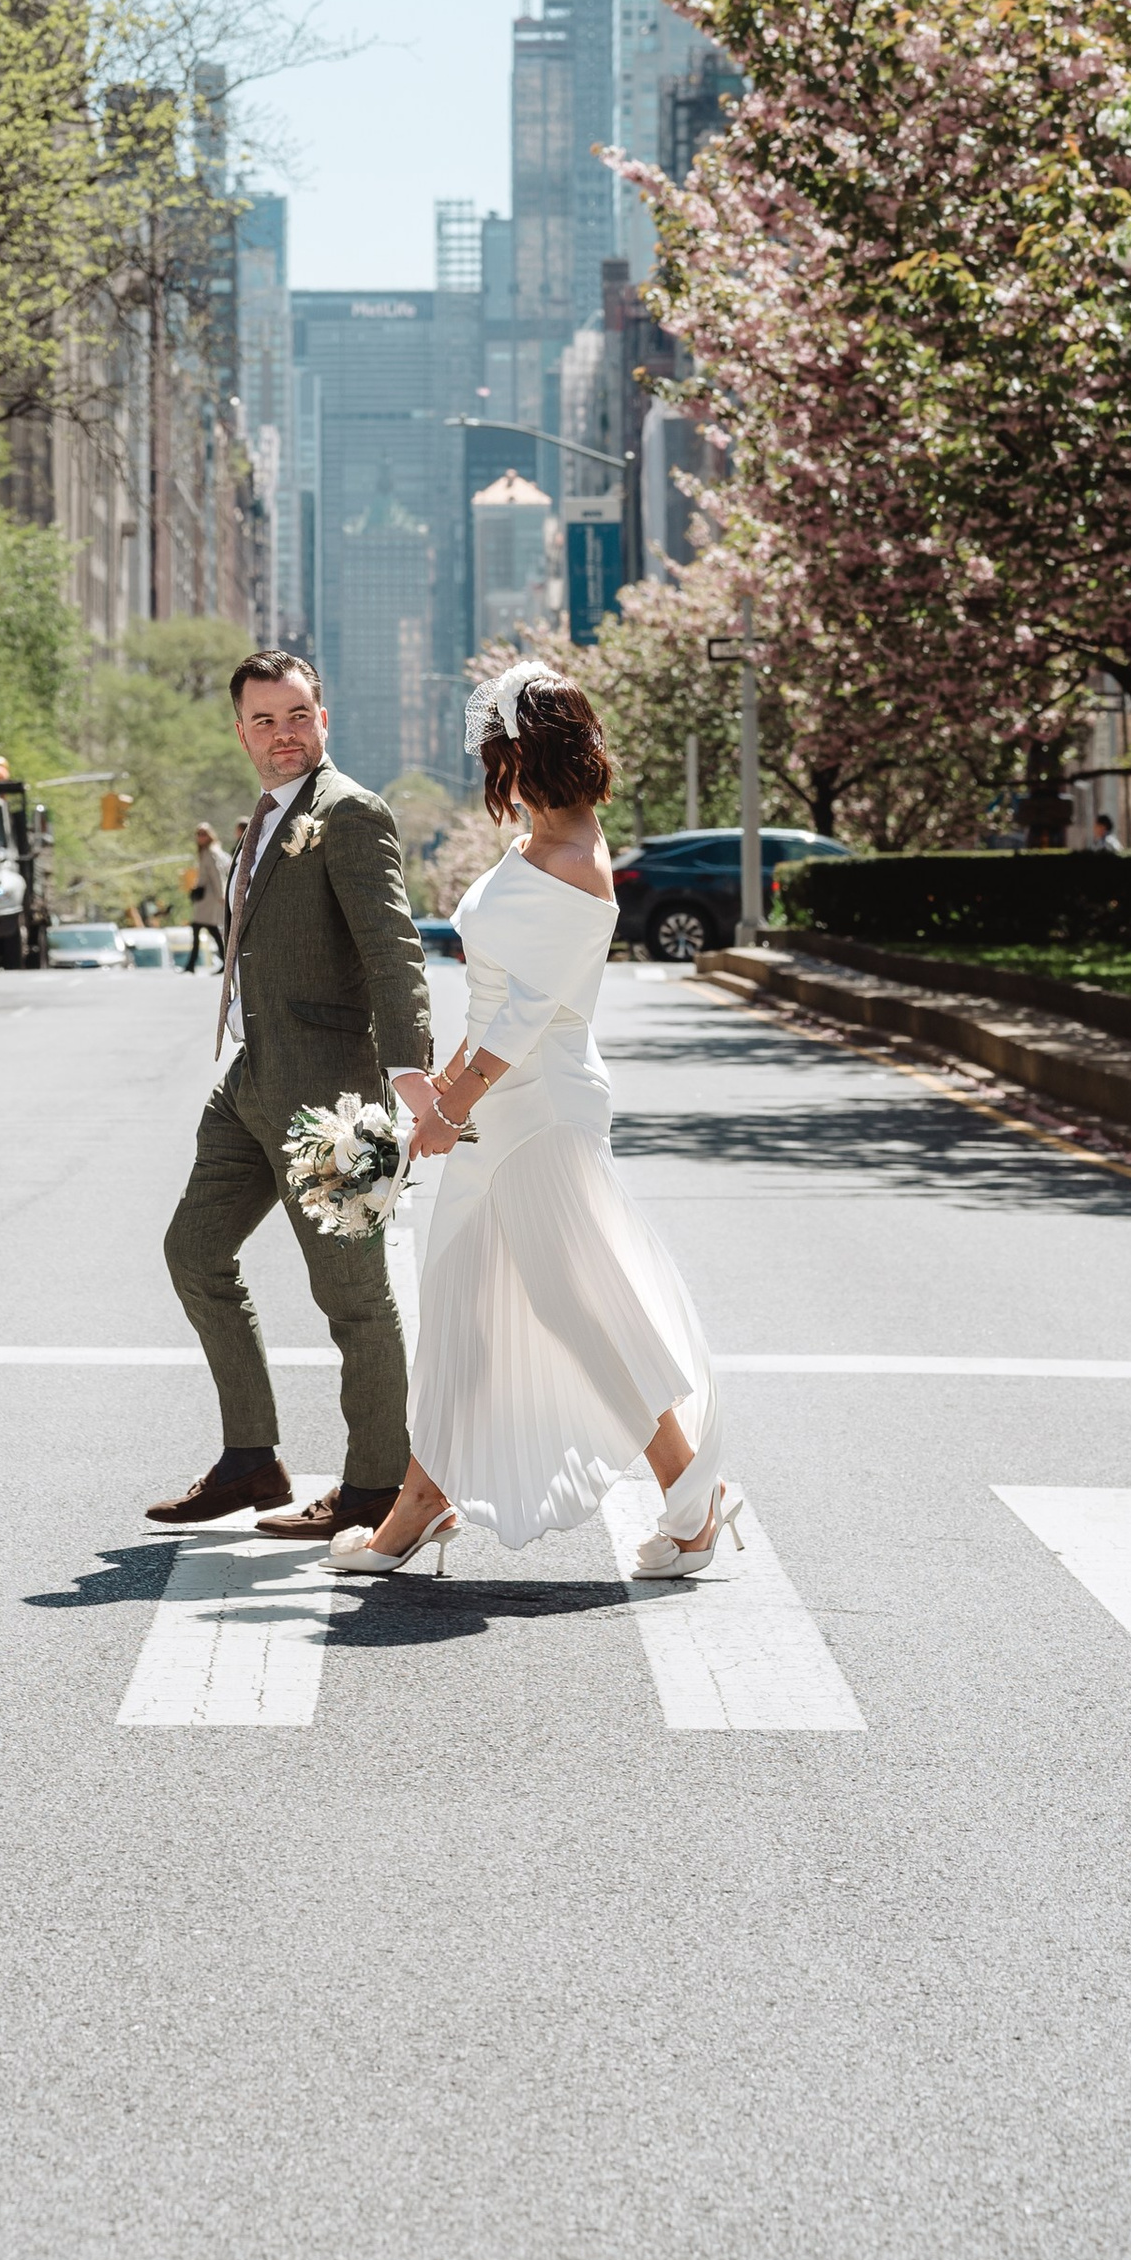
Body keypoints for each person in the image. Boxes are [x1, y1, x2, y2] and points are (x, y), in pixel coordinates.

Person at [330, 660, 740, 1584]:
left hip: (540, 1106)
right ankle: (422, 1502)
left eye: (497, 754)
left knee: (575, 1305)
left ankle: (690, 1494)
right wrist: (441, 1085)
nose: (492, 774)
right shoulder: (541, 839)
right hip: (501, 1100)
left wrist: (452, 1108)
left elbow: (526, 1018)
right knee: (463, 1308)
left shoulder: (575, 860)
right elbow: (500, 994)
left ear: (530, 753)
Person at [148, 651, 434, 1544]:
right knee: (194, 1252)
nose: (283, 735)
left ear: (325, 716)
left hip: (331, 1095)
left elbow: (394, 948)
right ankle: (252, 1459)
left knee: (353, 1296)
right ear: (241, 731)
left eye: (298, 715)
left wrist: (411, 1076)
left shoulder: (348, 814)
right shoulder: (267, 819)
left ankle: (377, 1487)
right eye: (265, 720)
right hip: (251, 1077)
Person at [182, 821, 229, 974]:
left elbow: (217, 875)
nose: (200, 837)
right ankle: (193, 965)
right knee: (209, 929)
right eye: (198, 834)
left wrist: (221, 894)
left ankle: (192, 965)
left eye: (203, 834)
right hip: (205, 897)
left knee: (203, 927)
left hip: (209, 897)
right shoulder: (206, 852)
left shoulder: (210, 852)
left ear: (209, 836)